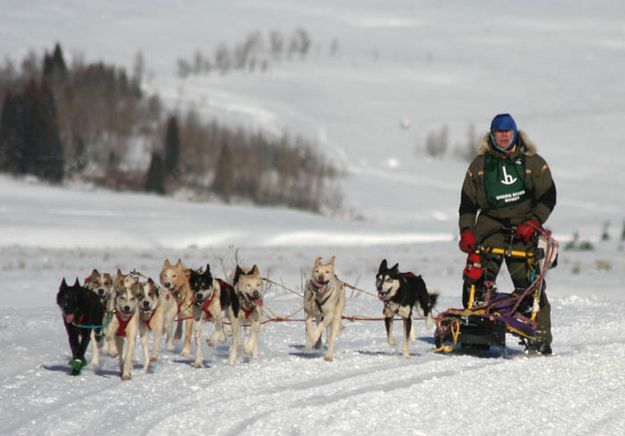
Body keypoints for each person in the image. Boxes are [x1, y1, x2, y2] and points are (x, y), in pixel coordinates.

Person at [457, 113, 556, 355]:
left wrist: (534, 221)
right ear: (492, 134)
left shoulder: (533, 163)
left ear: (514, 133)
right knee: (476, 277)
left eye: (507, 132)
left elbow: (548, 196)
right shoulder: (479, 166)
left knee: (530, 283)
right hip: (490, 225)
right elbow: (468, 203)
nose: (503, 136)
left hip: (525, 227)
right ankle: (476, 328)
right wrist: (467, 231)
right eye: (498, 132)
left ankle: (540, 335)